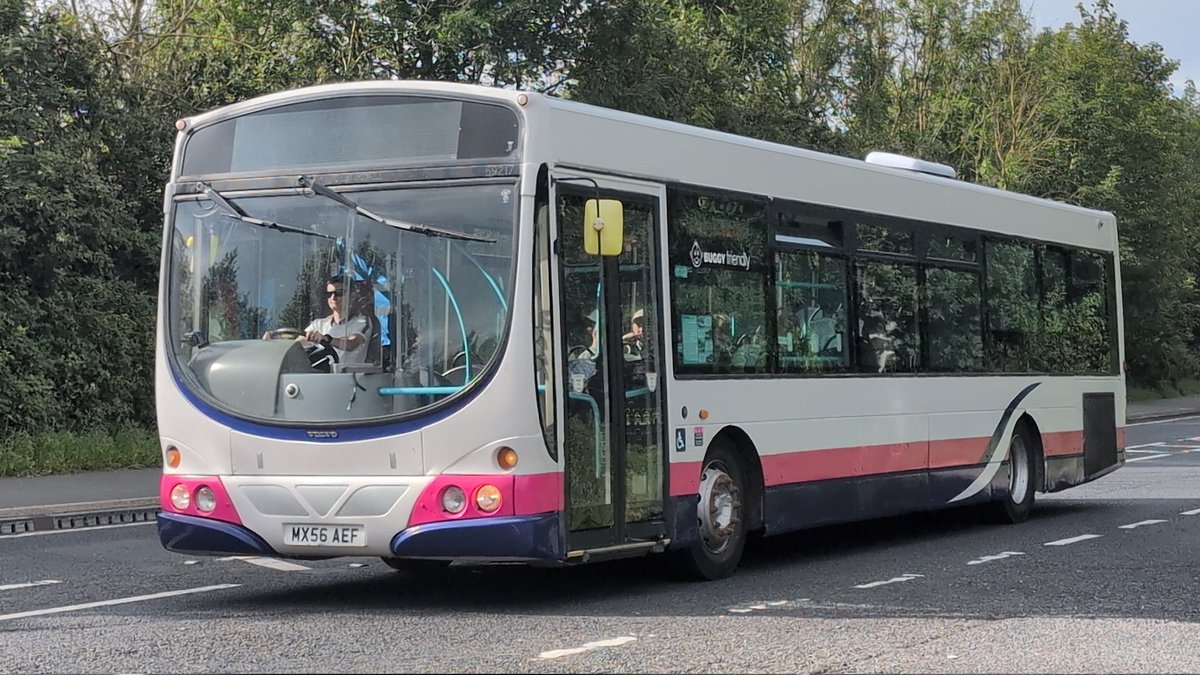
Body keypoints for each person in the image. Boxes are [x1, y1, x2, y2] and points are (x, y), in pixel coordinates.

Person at [263, 274, 372, 367]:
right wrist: (275, 341)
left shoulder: (362, 322)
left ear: (352, 296)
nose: (333, 298)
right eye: (329, 294)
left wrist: (326, 339)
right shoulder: (318, 324)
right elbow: (298, 343)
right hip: (320, 378)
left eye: (339, 293)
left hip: (351, 381)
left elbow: (351, 343)